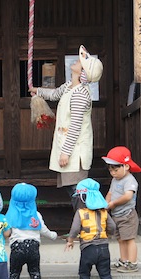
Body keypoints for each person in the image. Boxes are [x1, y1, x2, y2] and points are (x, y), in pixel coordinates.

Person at [29, 45, 103, 211]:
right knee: (74, 191)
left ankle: (88, 223)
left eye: (80, 62)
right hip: (69, 148)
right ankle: (84, 222)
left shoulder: (80, 94)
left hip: (75, 152)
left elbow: (75, 126)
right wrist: (37, 91)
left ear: (83, 71)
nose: (77, 61)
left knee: (78, 192)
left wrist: (65, 152)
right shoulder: (70, 86)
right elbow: (54, 94)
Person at [64, 178, 117, 279]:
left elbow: (75, 229)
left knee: (84, 272)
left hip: (88, 248)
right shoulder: (104, 212)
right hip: (104, 247)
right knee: (105, 272)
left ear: (82, 198)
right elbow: (113, 226)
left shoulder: (81, 213)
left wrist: (70, 240)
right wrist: (109, 234)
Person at [5, 182, 58, 279]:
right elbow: (43, 230)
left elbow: (7, 232)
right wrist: (53, 235)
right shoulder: (36, 215)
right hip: (33, 247)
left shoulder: (10, 215)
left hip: (17, 247)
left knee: (14, 272)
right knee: (34, 270)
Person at [102, 146, 141, 273]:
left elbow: (128, 196)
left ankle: (132, 263)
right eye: (110, 170)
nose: (113, 173)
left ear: (126, 166)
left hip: (127, 215)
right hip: (117, 215)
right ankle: (124, 260)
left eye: (116, 169)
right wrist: (105, 203)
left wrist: (113, 203)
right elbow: (110, 193)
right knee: (120, 239)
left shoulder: (130, 180)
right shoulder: (115, 180)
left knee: (129, 239)